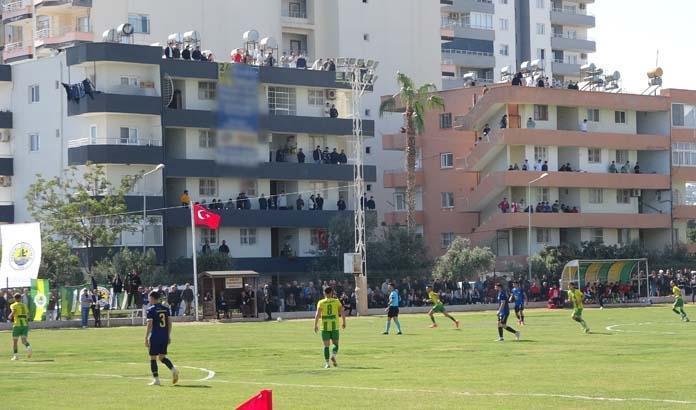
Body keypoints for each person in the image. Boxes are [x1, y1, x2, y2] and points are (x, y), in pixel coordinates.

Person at [145, 291, 179, 386]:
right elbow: (169, 323)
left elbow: (149, 324)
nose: (148, 299)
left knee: (153, 358)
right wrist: (168, 335)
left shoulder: (150, 309)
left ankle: (156, 380)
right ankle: (174, 370)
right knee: (162, 357)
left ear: (152, 298)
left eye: (149, 298)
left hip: (155, 336)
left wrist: (146, 337)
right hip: (164, 336)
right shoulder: (166, 309)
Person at [314, 287, 346, 368]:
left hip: (325, 327)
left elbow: (317, 314)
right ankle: (333, 356)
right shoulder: (336, 301)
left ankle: (327, 364)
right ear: (331, 293)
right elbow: (342, 312)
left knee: (326, 346)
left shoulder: (321, 302)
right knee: (336, 344)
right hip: (334, 326)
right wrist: (344, 322)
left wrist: (315, 325)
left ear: (324, 293)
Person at [8, 293, 32, 360]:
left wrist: (10, 315)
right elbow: (28, 315)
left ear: (15, 298)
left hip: (17, 325)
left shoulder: (13, 305)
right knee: (24, 341)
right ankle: (28, 347)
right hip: (25, 325)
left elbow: (14, 310)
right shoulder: (24, 305)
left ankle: (16, 356)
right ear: (20, 298)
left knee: (15, 342)